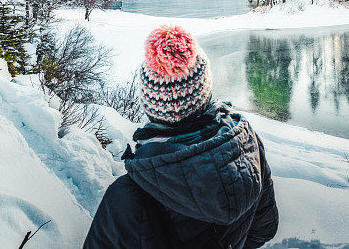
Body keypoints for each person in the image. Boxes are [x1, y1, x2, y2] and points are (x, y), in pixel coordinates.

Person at [84, 25, 279, 248]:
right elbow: (264, 228)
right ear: (205, 91)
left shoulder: (128, 196)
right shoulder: (245, 144)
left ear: (150, 105)